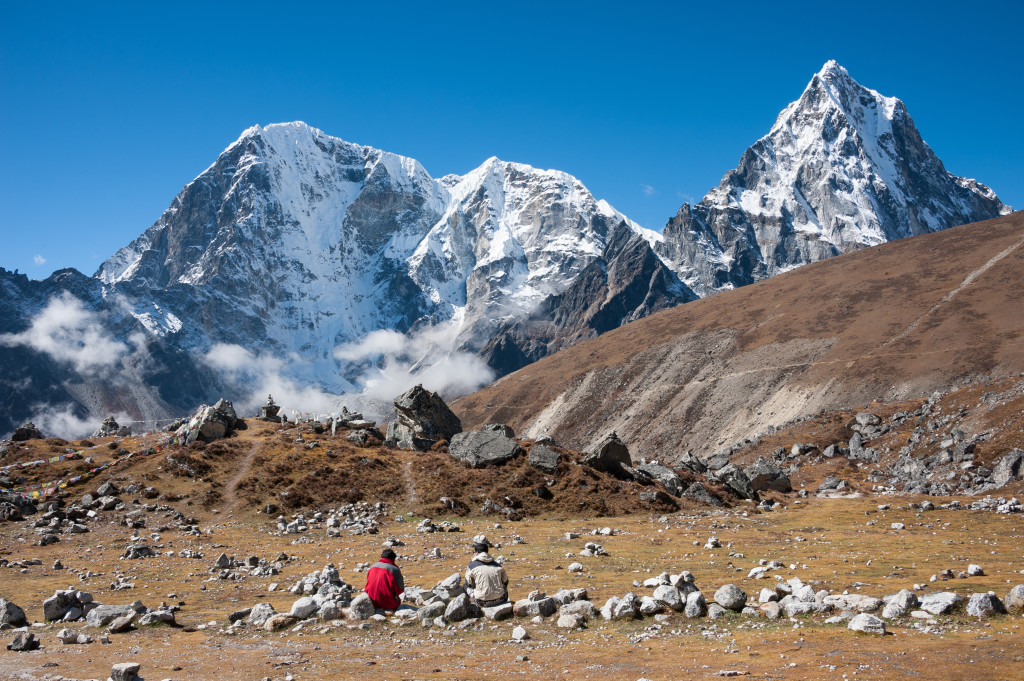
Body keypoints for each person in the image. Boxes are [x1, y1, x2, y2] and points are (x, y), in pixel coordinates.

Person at [464, 541, 509, 607]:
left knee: (465, 586)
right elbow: (506, 582)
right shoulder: (497, 565)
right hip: (500, 599)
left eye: (473, 552)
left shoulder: (471, 565)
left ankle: (469, 607)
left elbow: (469, 583)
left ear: (476, 553)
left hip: (482, 601)